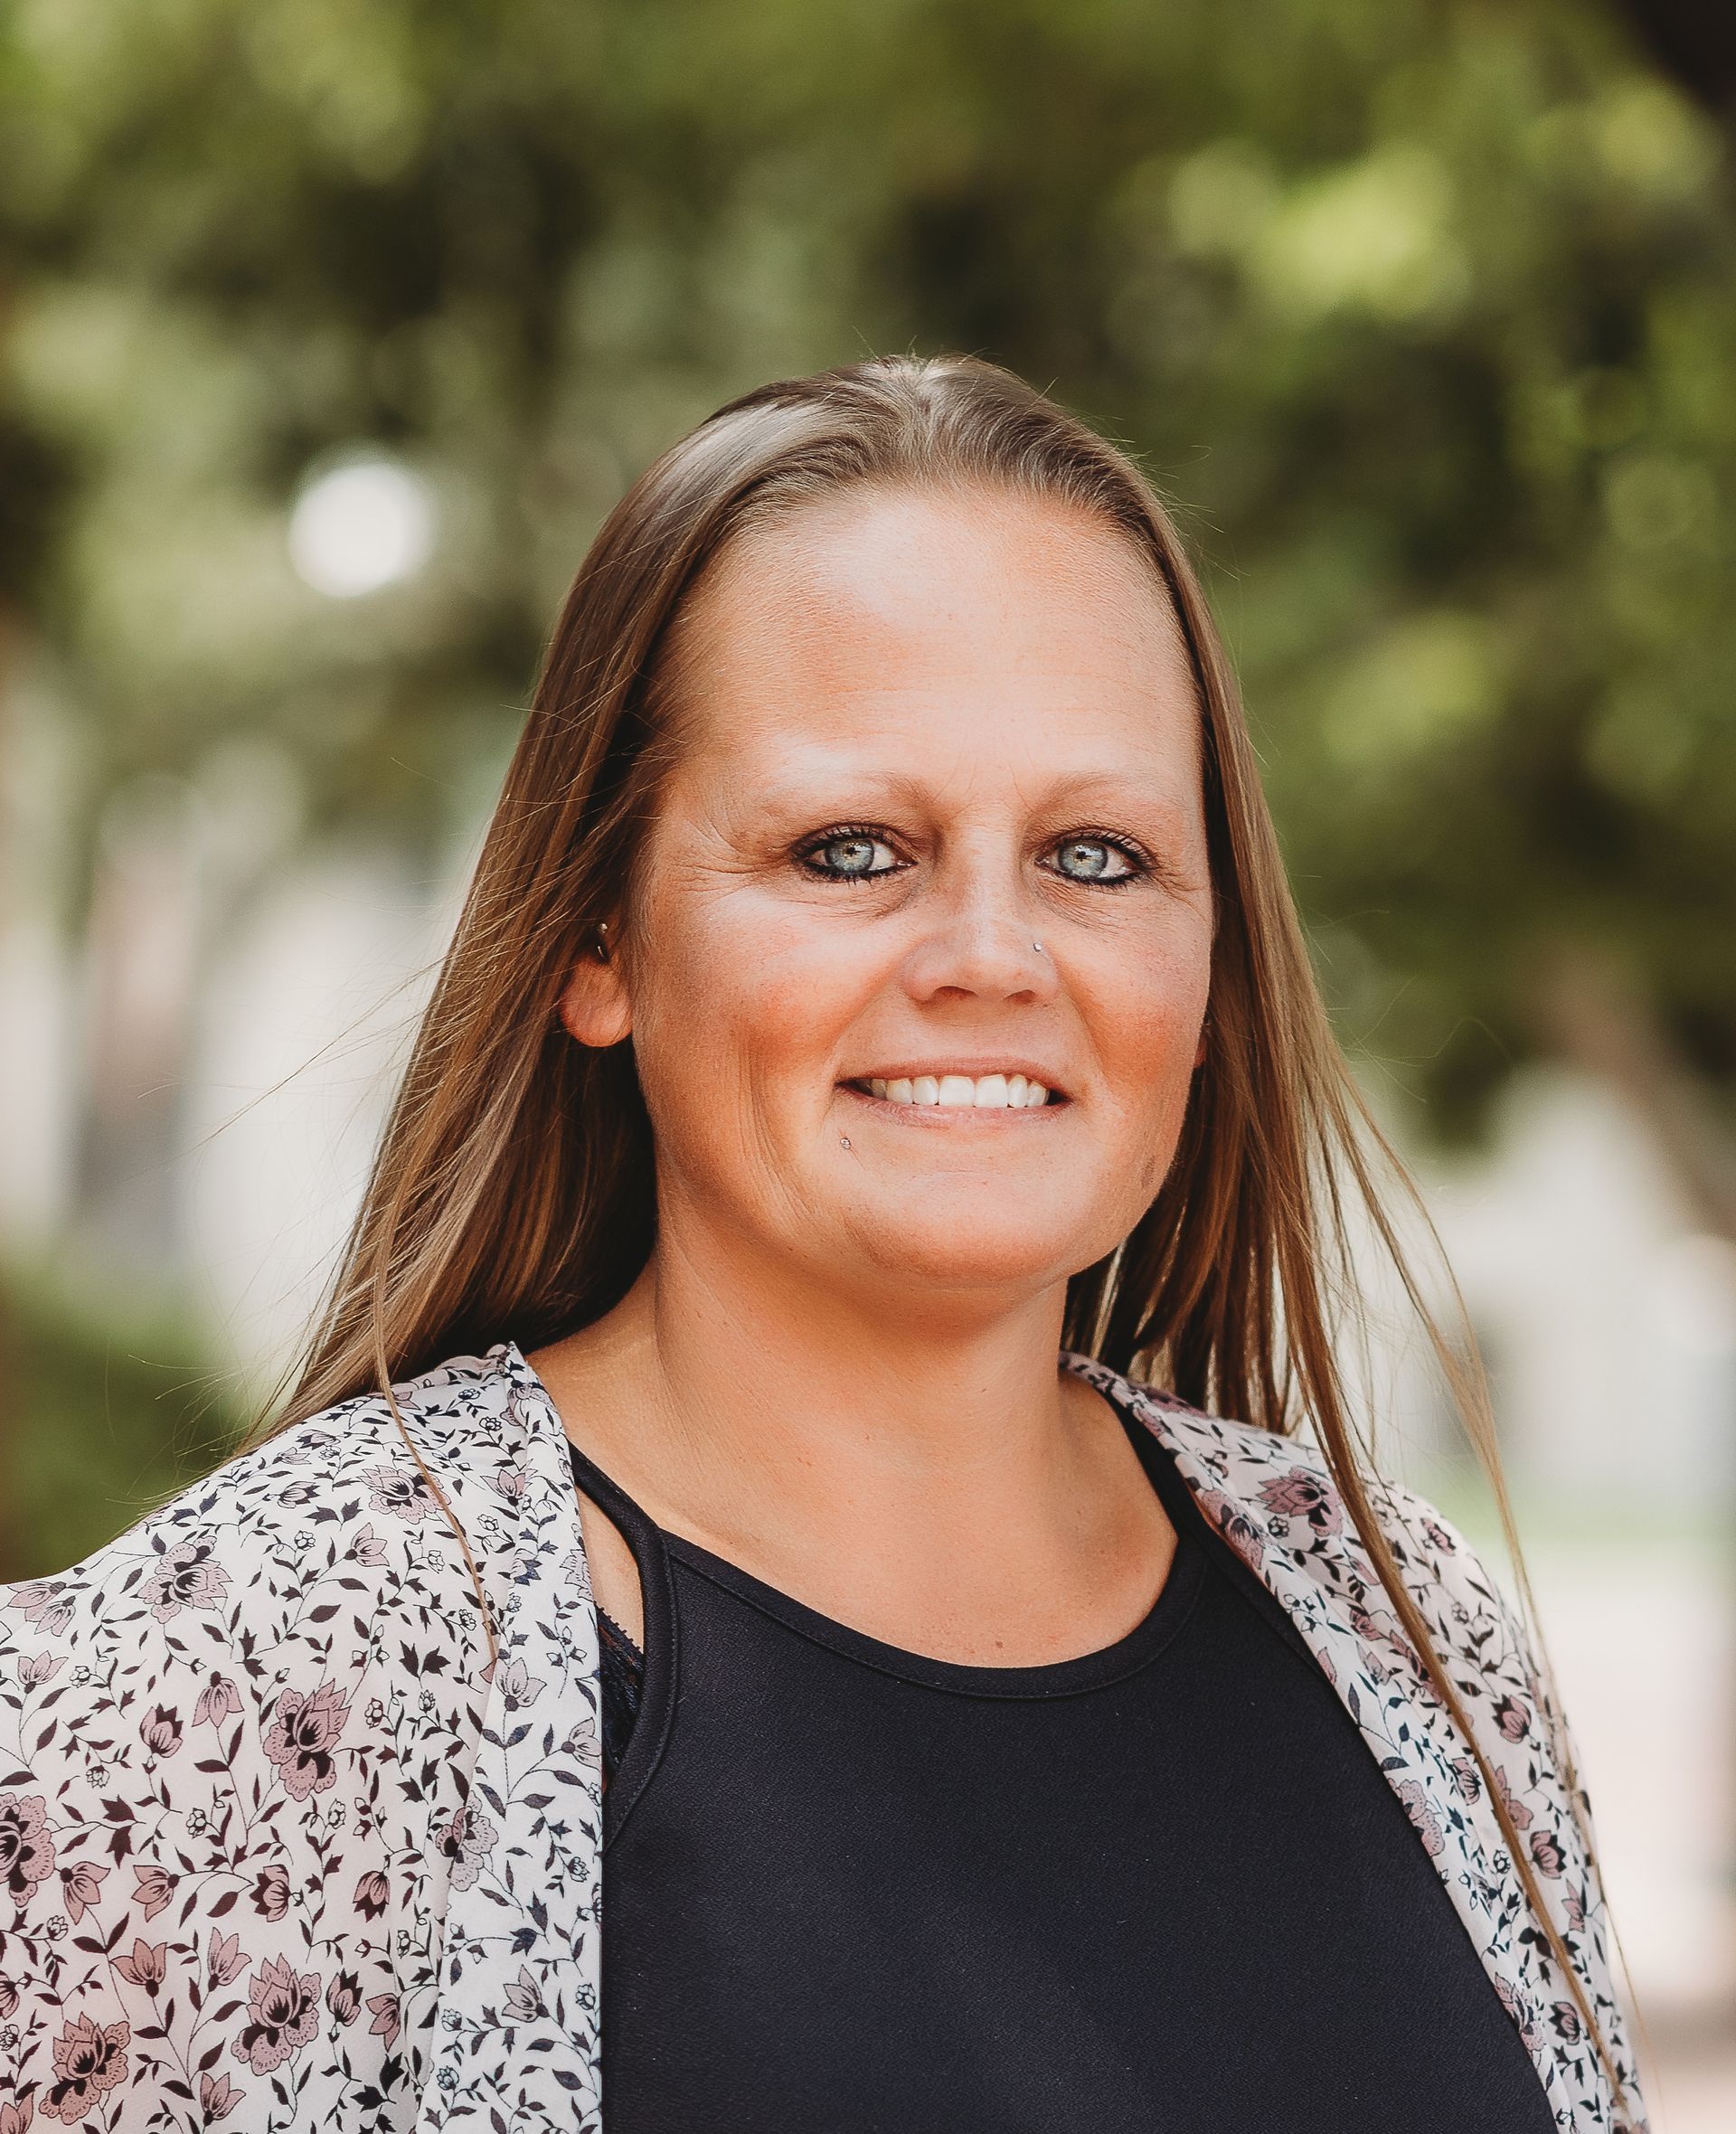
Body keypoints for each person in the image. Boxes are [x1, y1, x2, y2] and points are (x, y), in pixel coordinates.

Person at [0, 355, 1647, 2133]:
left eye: (1097, 855)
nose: (992, 955)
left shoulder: (1400, 1635)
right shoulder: (270, 1671)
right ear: (599, 944)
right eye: (853, 847)